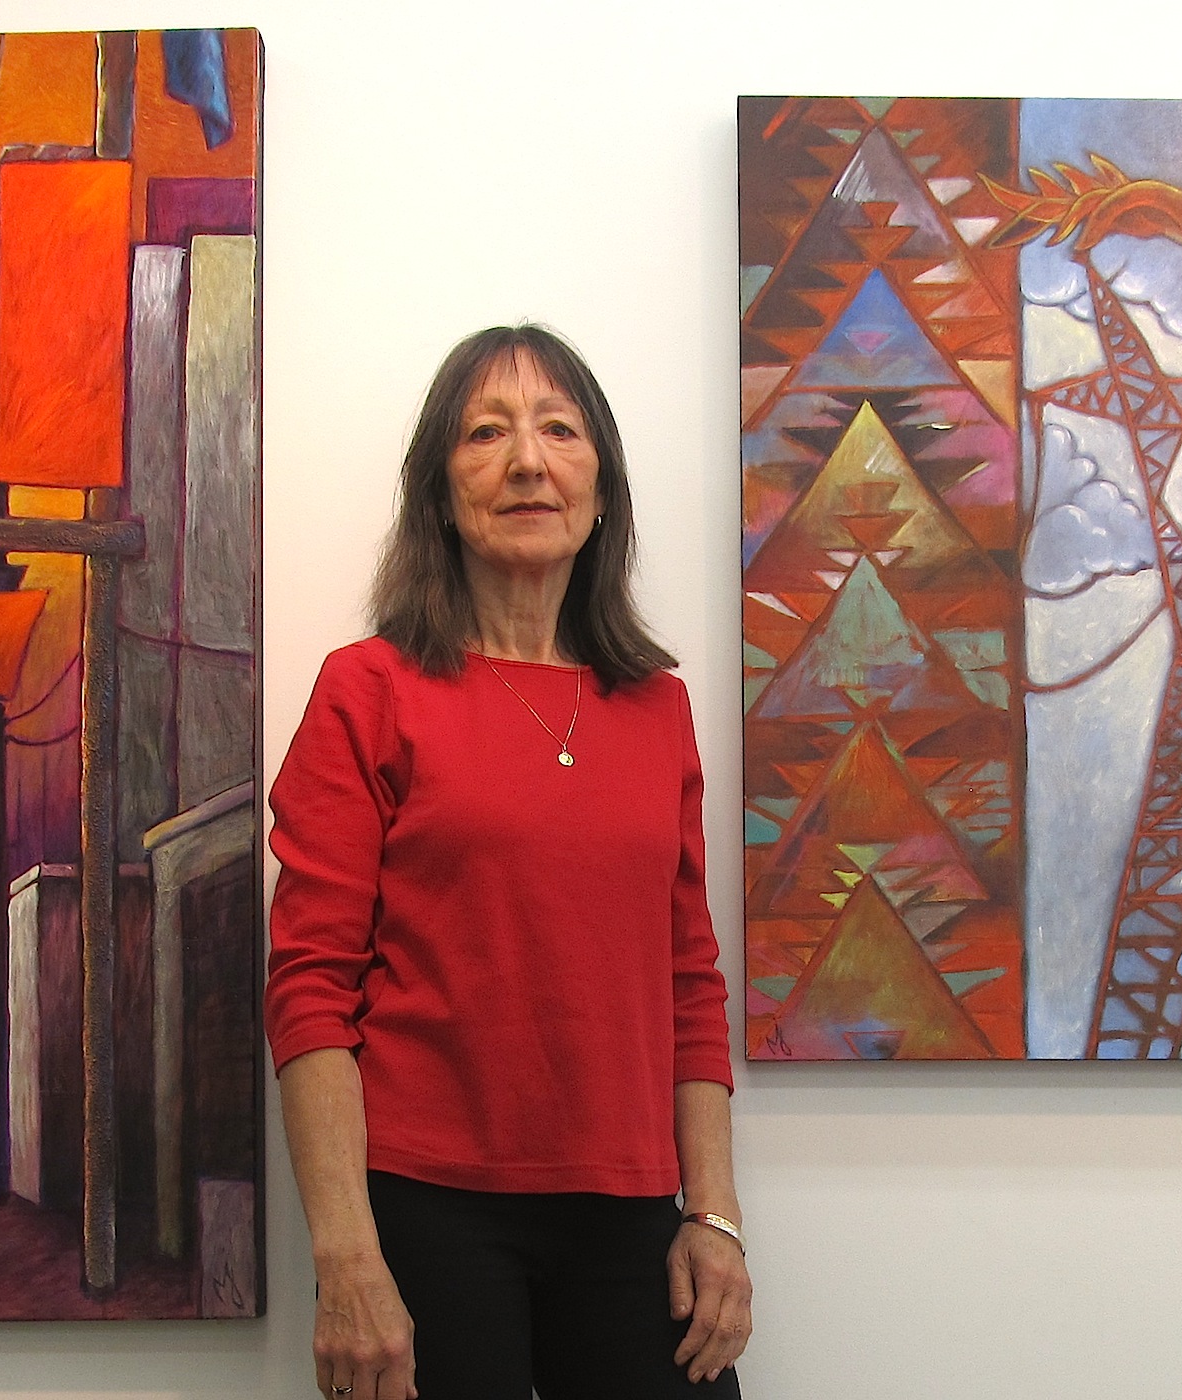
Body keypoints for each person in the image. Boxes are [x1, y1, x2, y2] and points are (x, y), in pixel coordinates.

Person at [267, 325, 751, 1400]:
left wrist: (714, 1214)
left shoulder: (659, 709)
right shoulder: (368, 691)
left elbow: (689, 982)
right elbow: (309, 990)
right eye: (487, 433)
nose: (528, 461)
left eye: (559, 431)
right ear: (440, 494)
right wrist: (345, 1260)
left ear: (601, 489)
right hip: (424, 1214)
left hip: (635, 1214)